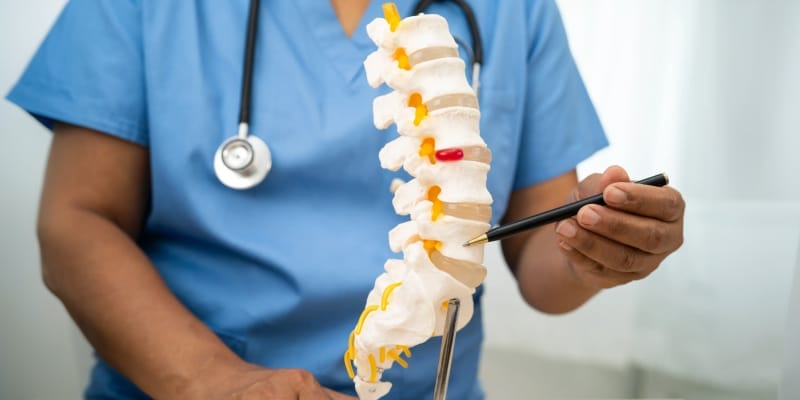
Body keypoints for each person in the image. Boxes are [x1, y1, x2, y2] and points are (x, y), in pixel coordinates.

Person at [7, 0, 685, 399]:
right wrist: (214, 381)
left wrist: (593, 246)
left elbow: (541, 257)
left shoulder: (512, 10)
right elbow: (76, 223)